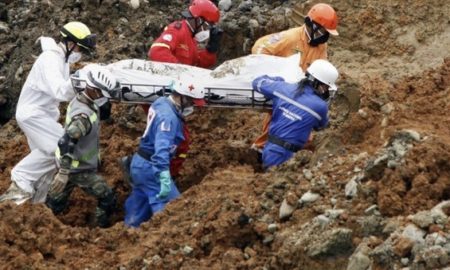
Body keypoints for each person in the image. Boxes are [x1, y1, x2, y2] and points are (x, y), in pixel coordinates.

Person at [0, 22, 96, 205]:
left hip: (43, 116)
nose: (80, 54)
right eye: (80, 49)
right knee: (60, 148)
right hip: (34, 114)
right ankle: (20, 179)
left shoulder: (62, 60)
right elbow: (60, 91)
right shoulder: (50, 60)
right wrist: (83, 77)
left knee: (49, 160)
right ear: (69, 43)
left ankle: (34, 204)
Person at [146, 0, 222, 178]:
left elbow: (197, 64)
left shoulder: (192, 40)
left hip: (175, 95)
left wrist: (211, 51)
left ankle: (158, 173)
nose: (208, 29)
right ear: (198, 20)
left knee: (176, 140)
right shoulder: (178, 30)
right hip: (164, 94)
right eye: (209, 25)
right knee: (178, 139)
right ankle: (161, 176)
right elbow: (157, 52)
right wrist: (182, 72)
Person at [251, 3, 338, 154]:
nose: (324, 36)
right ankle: (261, 148)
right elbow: (259, 47)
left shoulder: (321, 47)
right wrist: (272, 71)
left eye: (326, 33)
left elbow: (321, 67)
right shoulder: (290, 38)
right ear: (311, 25)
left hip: (302, 88)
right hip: (284, 86)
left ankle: (298, 148)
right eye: (322, 31)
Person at [124, 78, 206, 228]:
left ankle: (128, 234)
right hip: (151, 167)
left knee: (139, 208)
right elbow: (161, 149)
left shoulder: (161, 102)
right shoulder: (168, 119)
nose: (193, 106)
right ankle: (164, 244)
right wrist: (163, 176)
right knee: (172, 211)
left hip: (139, 164)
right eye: (192, 102)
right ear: (182, 97)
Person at [45, 65, 118, 228]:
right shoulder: (83, 117)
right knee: (107, 197)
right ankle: (99, 229)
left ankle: (48, 218)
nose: (105, 99)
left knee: (55, 201)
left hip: (72, 165)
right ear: (94, 90)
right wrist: (63, 173)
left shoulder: (83, 99)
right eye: (103, 95)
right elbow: (67, 141)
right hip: (78, 169)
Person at [252, 59, 339, 169]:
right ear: (317, 83)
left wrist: (278, 80)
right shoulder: (320, 106)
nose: (325, 90)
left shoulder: (283, 88)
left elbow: (257, 82)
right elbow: (321, 126)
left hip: (272, 149)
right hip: (283, 153)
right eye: (326, 87)